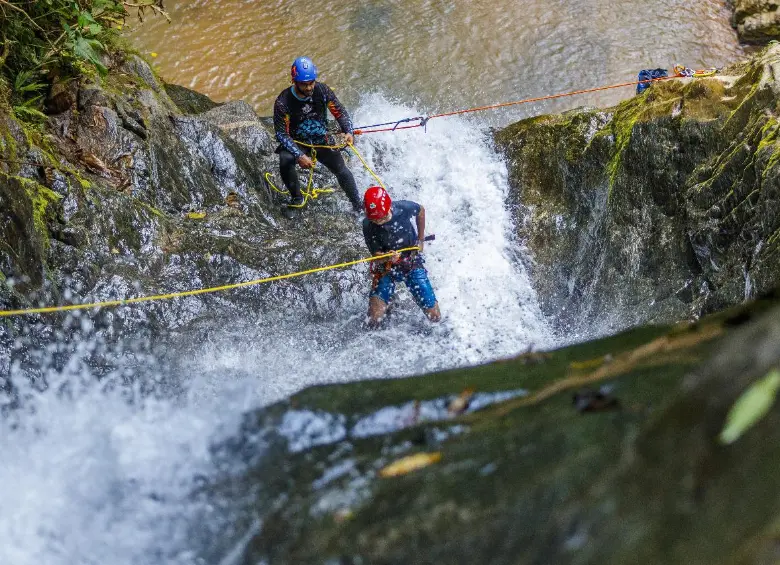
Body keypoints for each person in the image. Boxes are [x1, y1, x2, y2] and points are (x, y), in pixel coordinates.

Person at [272, 56, 361, 211]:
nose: (309, 88)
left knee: (341, 169)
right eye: (304, 84)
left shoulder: (322, 91)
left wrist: (348, 131)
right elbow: (281, 133)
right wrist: (299, 154)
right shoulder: (283, 102)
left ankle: (357, 203)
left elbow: (339, 112)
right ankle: (297, 198)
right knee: (285, 159)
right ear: (294, 81)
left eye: (311, 83)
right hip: (298, 142)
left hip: (321, 139)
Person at [362, 185, 441, 327]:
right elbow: (375, 256)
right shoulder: (368, 224)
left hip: (411, 262)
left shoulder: (403, 208)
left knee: (434, 316)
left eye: (381, 218)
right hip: (386, 267)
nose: (378, 222)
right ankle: (388, 300)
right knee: (373, 320)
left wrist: (421, 240)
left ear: (388, 209)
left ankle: (413, 295)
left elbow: (421, 211)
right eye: (375, 220)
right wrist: (386, 256)